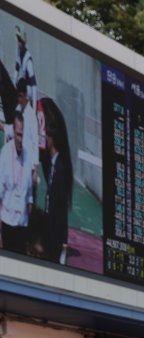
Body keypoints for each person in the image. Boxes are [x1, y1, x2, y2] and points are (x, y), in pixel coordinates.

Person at [41, 110, 71, 265]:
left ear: (51, 139)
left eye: (46, 136)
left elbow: (62, 207)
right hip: (50, 230)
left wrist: (63, 241)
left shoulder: (60, 169)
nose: (44, 139)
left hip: (55, 235)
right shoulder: (54, 165)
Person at [0, 111, 31, 254]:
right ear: (13, 132)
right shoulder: (5, 154)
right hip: (7, 222)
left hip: (22, 224)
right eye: (18, 134)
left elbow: (29, 194)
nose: (20, 139)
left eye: (22, 135)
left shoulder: (27, 156)